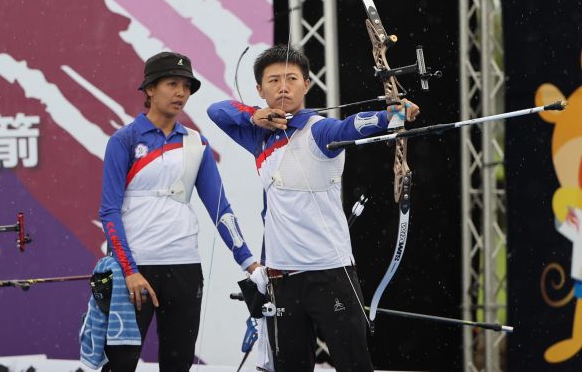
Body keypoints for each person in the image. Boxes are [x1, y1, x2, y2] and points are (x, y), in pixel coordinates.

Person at [207, 44, 421, 372]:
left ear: (307, 85)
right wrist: (253, 114)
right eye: (273, 80)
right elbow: (216, 110)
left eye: (292, 78)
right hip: (282, 279)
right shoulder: (258, 136)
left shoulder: (318, 131)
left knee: (354, 365)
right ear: (259, 89)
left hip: (330, 273)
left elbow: (350, 126)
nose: (282, 86)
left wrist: (392, 115)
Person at [98, 51, 260, 372]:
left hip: (185, 269)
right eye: (172, 84)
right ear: (149, 89)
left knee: (178, 363)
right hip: (135, 269)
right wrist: (129, 270)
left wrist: (248, 262)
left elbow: (220, 209)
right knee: (121, 364)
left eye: (186, 86)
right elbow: (109, 211)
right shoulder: (124, 141)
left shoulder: (196, 144)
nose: (181, 93)